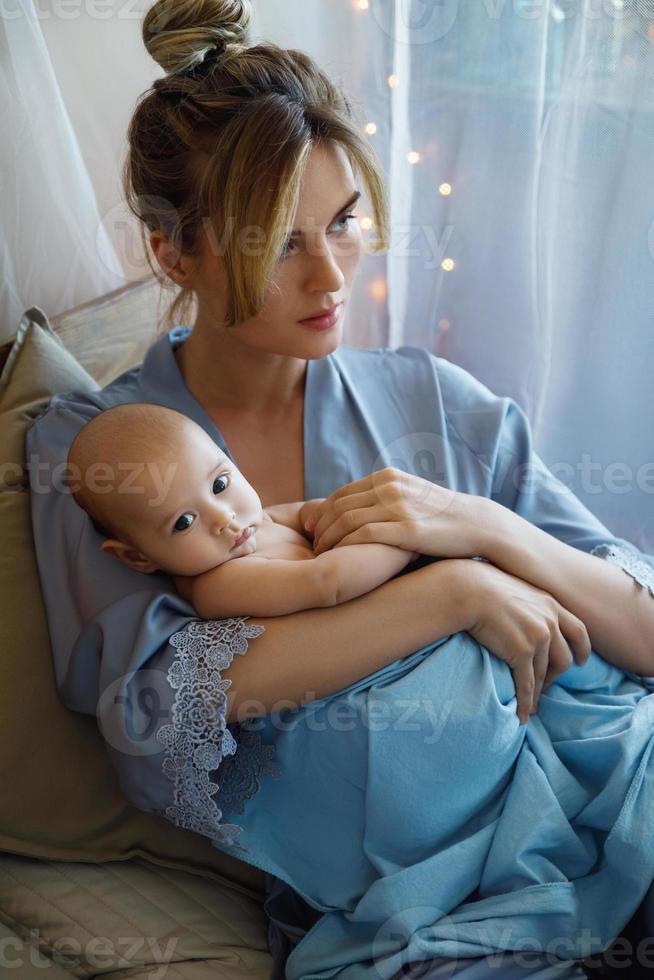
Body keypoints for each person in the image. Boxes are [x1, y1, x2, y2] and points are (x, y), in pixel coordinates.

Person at [25, 1, 654, 977]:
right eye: (281, 240)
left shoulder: (435, 400)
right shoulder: (103, 449)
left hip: (600, 773)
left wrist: (484, 526)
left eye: (346, 221)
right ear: (170, 251)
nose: (331, 273)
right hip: (402, 876)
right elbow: (158, 709)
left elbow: (645, 632)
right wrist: (452, 589)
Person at [66, 401, 420, 618]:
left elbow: (316, 514)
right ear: (136, 557)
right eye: (184, 522)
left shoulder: (261, 520)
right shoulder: (218, 584)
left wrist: (341, 514)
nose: (223, 517)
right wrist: (408, 538)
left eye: (219, 484)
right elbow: (328, 582)